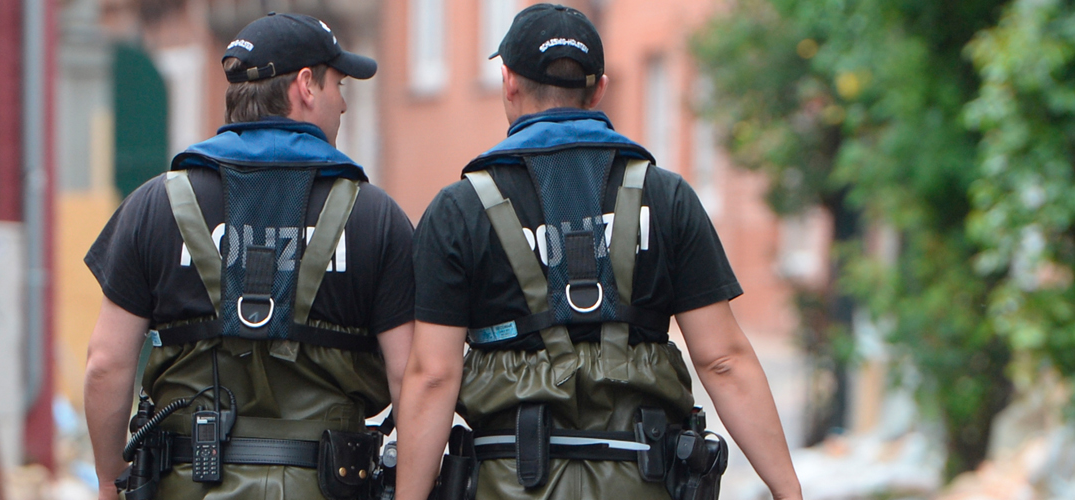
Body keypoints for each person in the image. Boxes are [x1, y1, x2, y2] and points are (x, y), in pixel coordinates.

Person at [396, 4, 802, 500]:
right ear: (600, 89)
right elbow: (723, 361)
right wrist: (788, 491)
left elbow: (434, 375)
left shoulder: (459, 209)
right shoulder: (667, 196)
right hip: (642, 480)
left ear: (508, 82)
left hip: (507, 481)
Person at [84, 12, 414, 500]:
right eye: (338, 85)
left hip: (187, 482)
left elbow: (105, 364)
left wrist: (112, 480)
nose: (343, 104)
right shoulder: (374, 217)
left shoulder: (155, 206)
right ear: (306, 86)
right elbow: (413, 376)